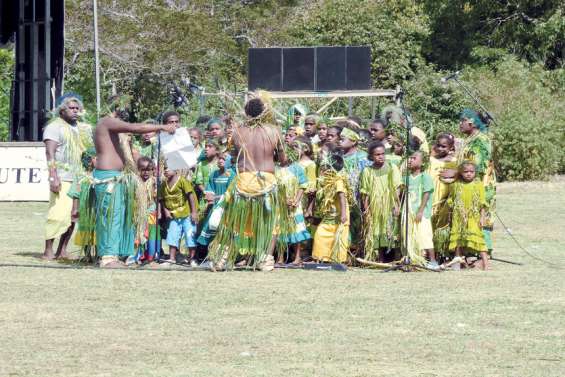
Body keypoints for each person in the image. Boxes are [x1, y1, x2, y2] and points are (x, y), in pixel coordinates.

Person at [208, 92, 289, 271]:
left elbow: (235, 156)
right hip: (266, 181)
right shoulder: (274, 131)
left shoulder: (237, 132)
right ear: (264, 112)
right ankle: (265, 259)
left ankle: (221, 258)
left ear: (246, 113)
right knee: (271, 222)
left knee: (232, 221)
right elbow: (283, 160)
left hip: (244, 180)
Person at [93, 95, 175, 268]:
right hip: (108, 178)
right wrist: (162, 126)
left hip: (118, 177)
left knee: (119, 217)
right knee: (110, 217)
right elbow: (136, 127)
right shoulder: (107, 121)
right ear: (116, 107)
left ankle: (117, 255)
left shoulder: (112, 126)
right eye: (123, 107)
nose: (126, 111)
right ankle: (107, 257)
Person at [42, 93, 93, 260]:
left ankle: (62, 250)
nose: (75, 111)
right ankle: (48, 250)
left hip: (80, 177)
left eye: (77, 108)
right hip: (62, 177)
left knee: (73, 216)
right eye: (71, 108)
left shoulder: (83, 128)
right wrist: (53, 176)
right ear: (62, 110)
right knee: (57, 215)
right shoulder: (54, 126)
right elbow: (49, 153)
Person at [457, 109, 496, 254]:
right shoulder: (469, 139)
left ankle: (485, 254)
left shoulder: (481, 139)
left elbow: (477, 165)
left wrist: (456, 173)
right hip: (468, 183)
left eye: (463, 120)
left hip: (481, 184)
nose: (460, 124)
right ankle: (471, 252)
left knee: (481, 215)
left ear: (472, 123)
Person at [359, 142, 401, 262]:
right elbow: (365, 192)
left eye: (383, 154)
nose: (381, 156)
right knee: (377, 229)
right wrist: (366, 209)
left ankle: (394, 258)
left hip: (389, 204)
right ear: (371, 156)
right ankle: (380, 258)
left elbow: (397, 187)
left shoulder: (392, 168)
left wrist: (396, 204)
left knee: (390, 229)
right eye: (377, 154)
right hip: (375, 205)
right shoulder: (367, 171)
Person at [447, 161, 489, 270]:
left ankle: (486, 264)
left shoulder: (478, 184)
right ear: (460, 172)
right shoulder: (456, 185)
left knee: (478, 238)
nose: (469, 174)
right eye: (465, 172)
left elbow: (482, 203)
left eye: (471, 171)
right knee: (458, 239)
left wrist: (482, 217)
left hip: (473, 216)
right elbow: (451, 200)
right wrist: (452, 214)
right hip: (459, 216)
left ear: (475, 172)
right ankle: (458, 261)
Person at [312, 153, 350, 263]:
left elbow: (342, 197)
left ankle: (337, 259)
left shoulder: (338, 180)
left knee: (337, 237)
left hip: (339, 216)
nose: (324, 168)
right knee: (320, 234)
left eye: (326, 166)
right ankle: (321, 257)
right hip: (329, 216)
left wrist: (343, 214)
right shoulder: (327, 181)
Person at [276, 145, 311, 265]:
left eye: (284, 152)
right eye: (279, 152)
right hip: (280, 205)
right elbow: (274, 188)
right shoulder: (276, 169)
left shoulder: (297, 168)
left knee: (297, 229)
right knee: (280, 230)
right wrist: (282, 200)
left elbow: (303, 185)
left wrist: (296, 200)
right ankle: (280, 257)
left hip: (295, 205)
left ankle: (297, 257)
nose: (281, 155)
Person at [404, 151, 438, 269]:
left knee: (425, 236)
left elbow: (426, 194)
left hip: (421, 213)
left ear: (422, 162)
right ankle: (416, 259)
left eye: (414, 158)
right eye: (409, 158)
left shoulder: (425, 177)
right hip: (409, 213)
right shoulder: (406, 178)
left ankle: (433, 260)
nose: (410, 160)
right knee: (412, 236)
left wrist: (420, 211)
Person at [159, 164, 199, 266]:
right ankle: (172, 258)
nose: (166, 171)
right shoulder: (164, 184)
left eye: (168, 168)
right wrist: (166, 211)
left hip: (187, 215)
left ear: (176, 169)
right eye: (164, 169)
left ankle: (192, 259)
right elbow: (161, 199)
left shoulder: (182, 181)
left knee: (190, 236)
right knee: (172, 236)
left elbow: (191, 196)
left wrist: (194, 212)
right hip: (174, 216)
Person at [196, 152, 235, 248]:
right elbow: (210, 189)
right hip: (215, 208)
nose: (221, 160)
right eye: (219, 158)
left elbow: (231, 193)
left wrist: (215, 197)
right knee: (213, 228)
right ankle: (211, 256)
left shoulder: (231, 175)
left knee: (224, 231)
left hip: (227, 208)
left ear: (229, 161)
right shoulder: (214, 174)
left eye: (224, 159)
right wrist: (209, 196)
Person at [429, 133, 457, 255]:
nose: (440, 149)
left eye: (444, 146)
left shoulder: (454, 163)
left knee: (443, 224)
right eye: (438, 145)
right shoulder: (431, 161)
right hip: (432, 198)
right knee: (431, 223)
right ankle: (430, 251)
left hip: (446, 199)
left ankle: (442, 252)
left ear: (451, 148)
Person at [67, 147, 97, 262]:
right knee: (85, 230)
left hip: (96, 208)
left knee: (97, 231)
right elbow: (76, 193)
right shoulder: (81, 175)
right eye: (95, 158)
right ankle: (87, 254)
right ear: (89, 160)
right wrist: (74, 209)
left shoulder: (99, 174)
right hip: (85, 209)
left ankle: (98, 255)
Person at [134, 156, 160, 263]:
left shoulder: (153, 182)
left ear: (152, 170)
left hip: (151, 212)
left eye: (148, 170)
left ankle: (152, 255)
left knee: (152, 233)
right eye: (143, 170)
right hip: (139, 212)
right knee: (139, 233)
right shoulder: (137, 182)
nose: (145, 172)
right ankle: (139, 255)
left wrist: (159, 211)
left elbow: (157, 198)